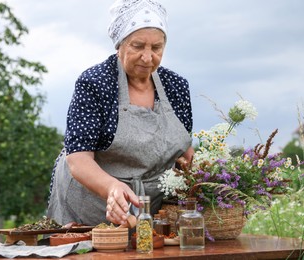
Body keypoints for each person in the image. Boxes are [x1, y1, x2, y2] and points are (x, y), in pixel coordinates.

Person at [47, 0, 194, 227]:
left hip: (148, 210)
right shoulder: (95, 83)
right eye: (138, 46)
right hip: (89, 207)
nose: (148, 57)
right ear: (120, 45)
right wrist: (112, 187)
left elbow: (183, 151)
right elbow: (78, 159)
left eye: (156, 48)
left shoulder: (176, 87)